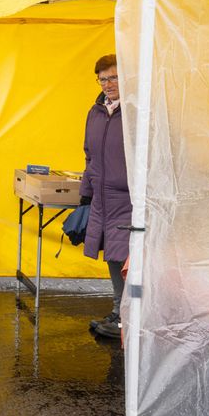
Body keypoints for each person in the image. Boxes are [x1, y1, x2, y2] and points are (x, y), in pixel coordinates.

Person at [80, 54, 131, 339]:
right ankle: (118, 311)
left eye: (113, 77)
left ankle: (127, 316)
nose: (108, 84)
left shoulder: (136, 112)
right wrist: (86, 192)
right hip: (102, 197)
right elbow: (89, 155)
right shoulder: (95, 112)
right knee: (113, 255)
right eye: (103, 79)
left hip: (127, 199)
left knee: (126, 256)